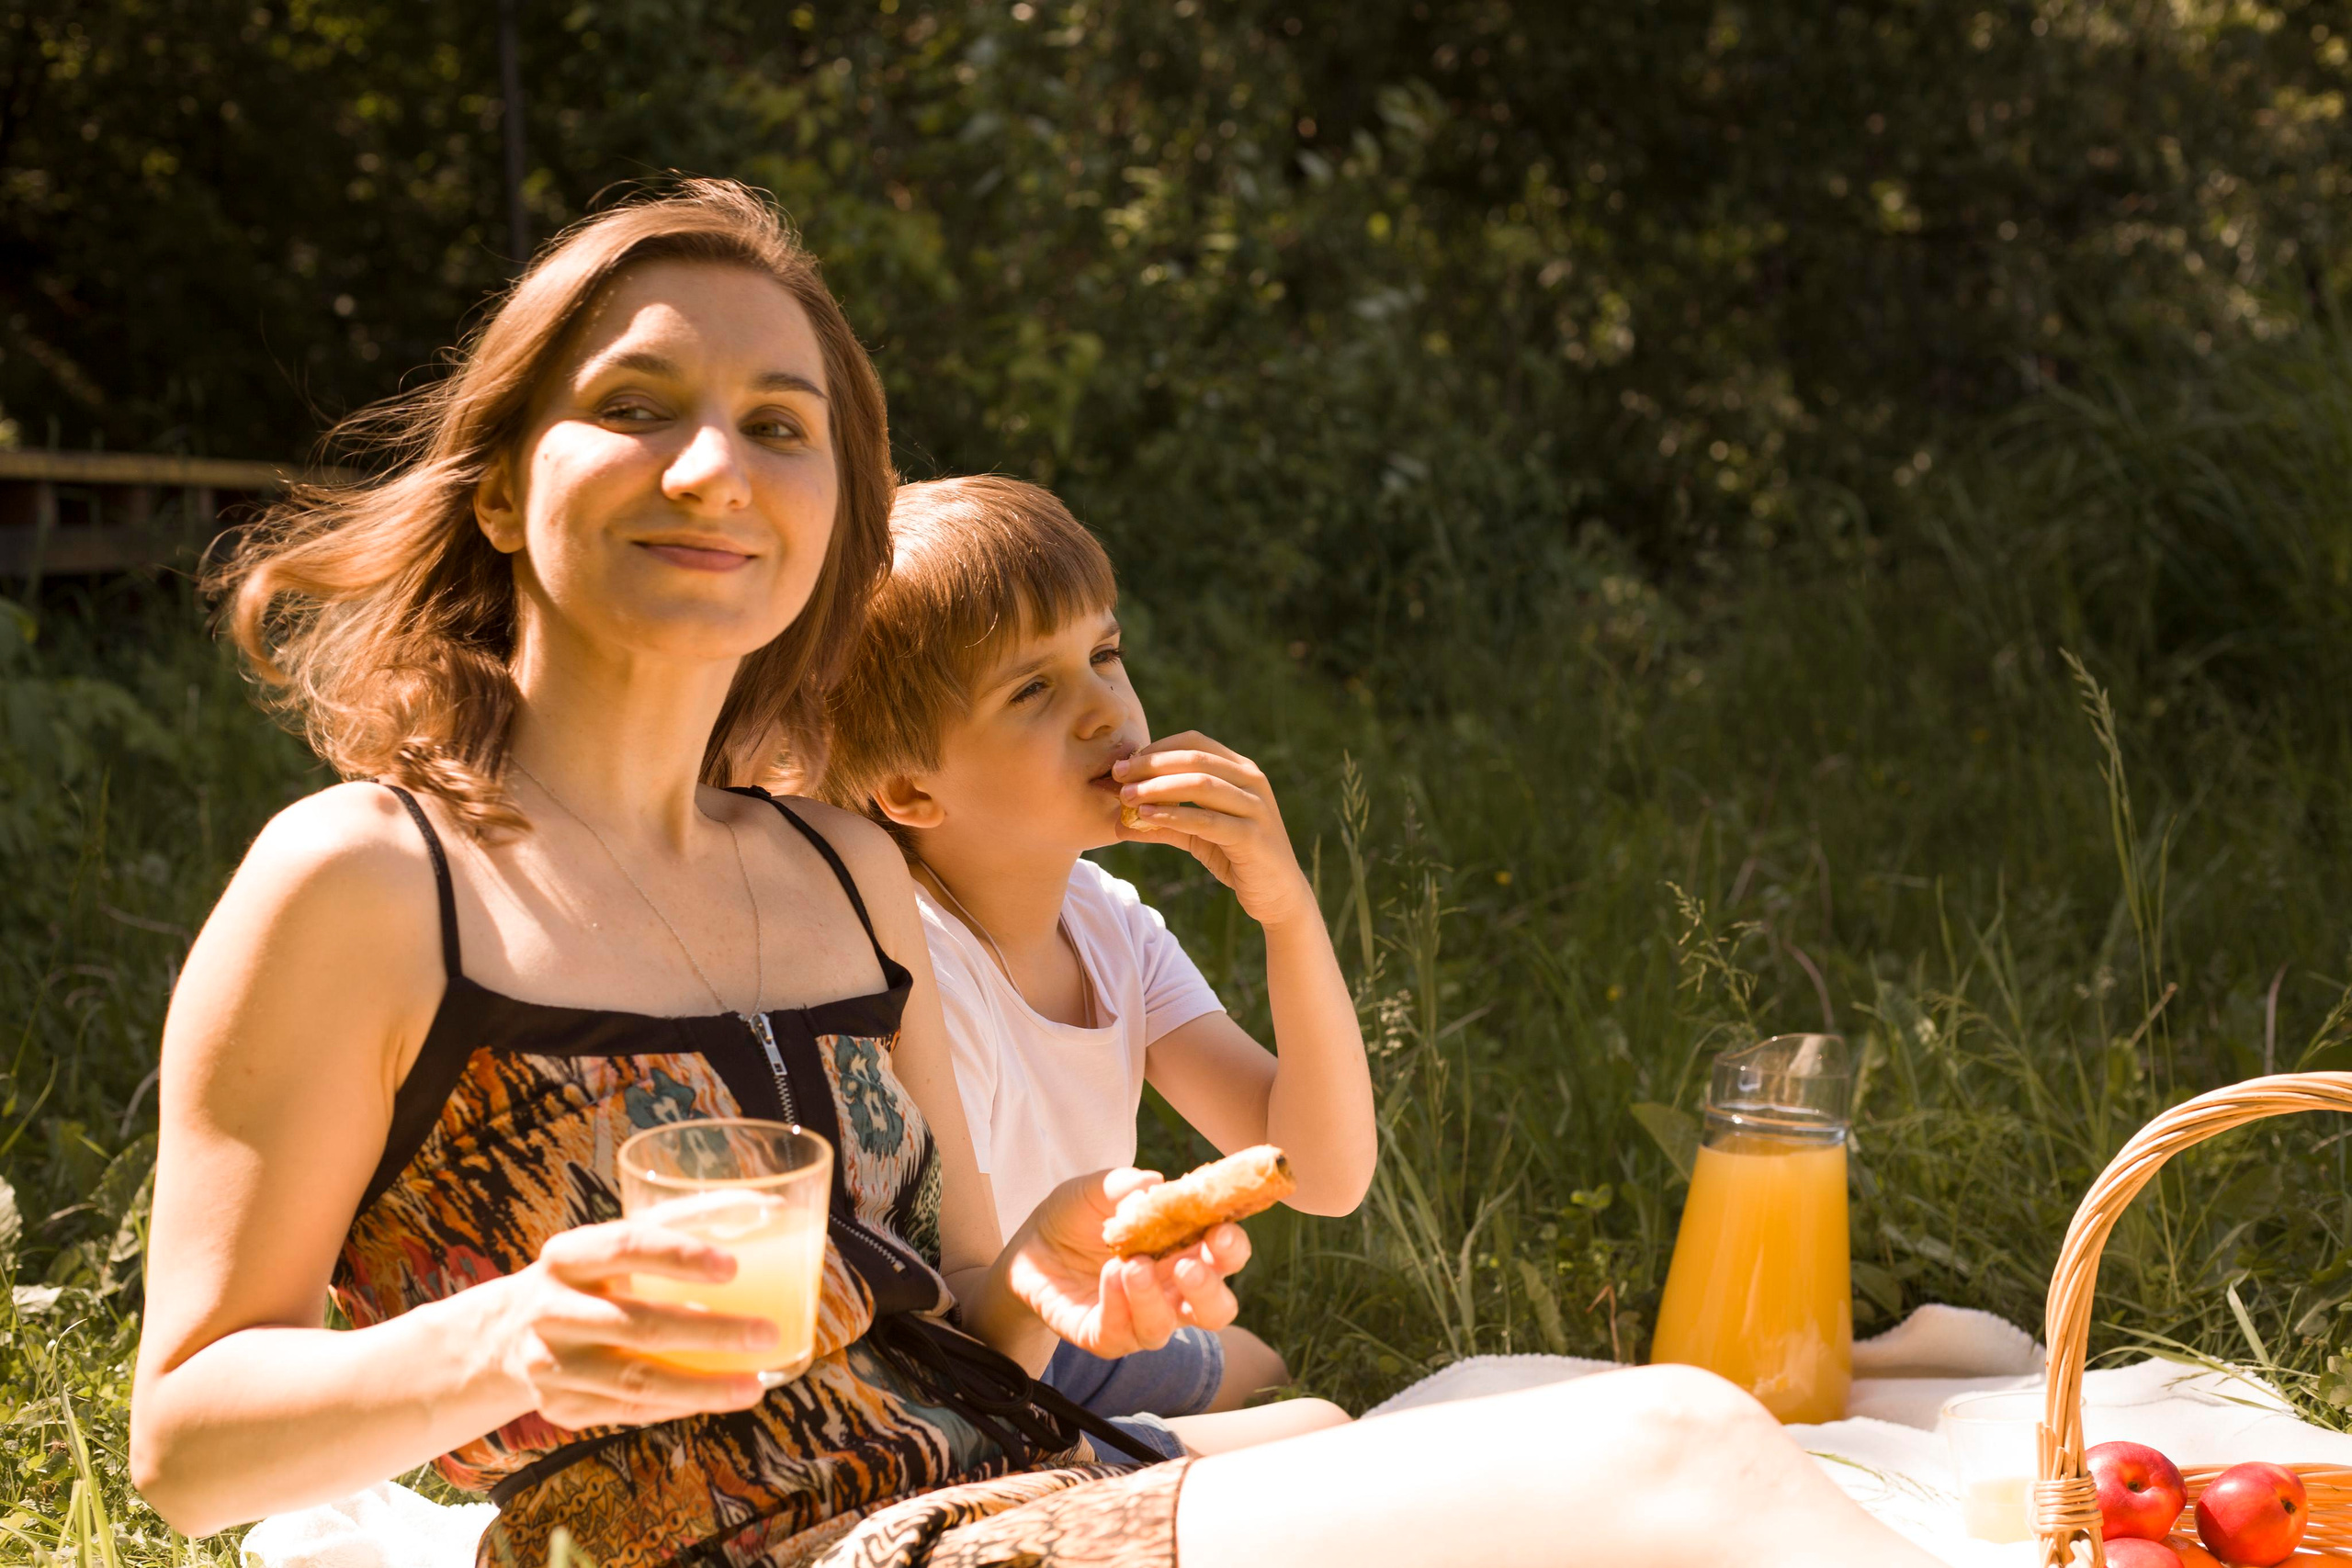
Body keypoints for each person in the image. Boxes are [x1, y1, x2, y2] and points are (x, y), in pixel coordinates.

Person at [128, 178, 1944, 1568]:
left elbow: (977, 1311)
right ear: (507, 487)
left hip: (1010, 1493)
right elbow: (187, 1442)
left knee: (1634, 1439)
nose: (714, 464)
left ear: (830, 511)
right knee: (1671, 1463)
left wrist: (1063, 1268)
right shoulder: (367, 882)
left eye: (780, 423)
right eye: (638, 401)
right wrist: (518, 1329)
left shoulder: (842, 872)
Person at [814, 475, 1372, 1423]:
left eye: (1104, 654)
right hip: (945, 1362)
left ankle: (1119, 1445)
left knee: (1260, 1366)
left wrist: (1288, 913)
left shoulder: (1105, 920)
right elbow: (970, 1323)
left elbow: (1318, 1172)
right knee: (1310, 1423)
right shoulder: (923, 969)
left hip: (1071, 1328)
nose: (1101, 708)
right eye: (1032, 689)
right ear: (908, 794)